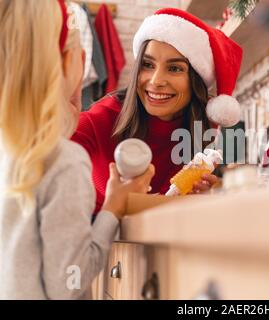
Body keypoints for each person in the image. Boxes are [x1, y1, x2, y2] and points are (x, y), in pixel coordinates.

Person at [0, 0, 154, 299]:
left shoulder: (8, 151)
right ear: (76, 61)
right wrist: (113, 210)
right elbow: (67, 287)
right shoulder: (62, 160)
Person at [71, 8, 243, 213]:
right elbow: (40, 162)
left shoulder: (204, 131)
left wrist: (202, 198)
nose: (156, 81)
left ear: (196, 80)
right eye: (147, 65)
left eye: (174, 68)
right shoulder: (102, 119)